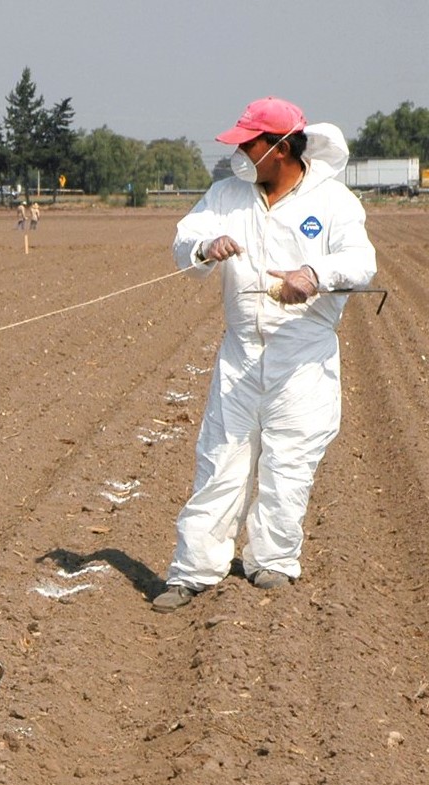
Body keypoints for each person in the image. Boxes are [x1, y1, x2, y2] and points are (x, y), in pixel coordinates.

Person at [153, 97, 376, 613]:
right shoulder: (226, 194)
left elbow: (360, 261)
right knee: (219, 459)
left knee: (289, 460)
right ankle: (194, 569)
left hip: (302, 353)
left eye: (249, 142)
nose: (241, 150)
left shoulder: (333, 201)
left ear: (278, 148)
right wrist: (206, 248)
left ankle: (272, 560)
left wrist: (314, 277)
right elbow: (185, 238)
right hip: (241, 350)